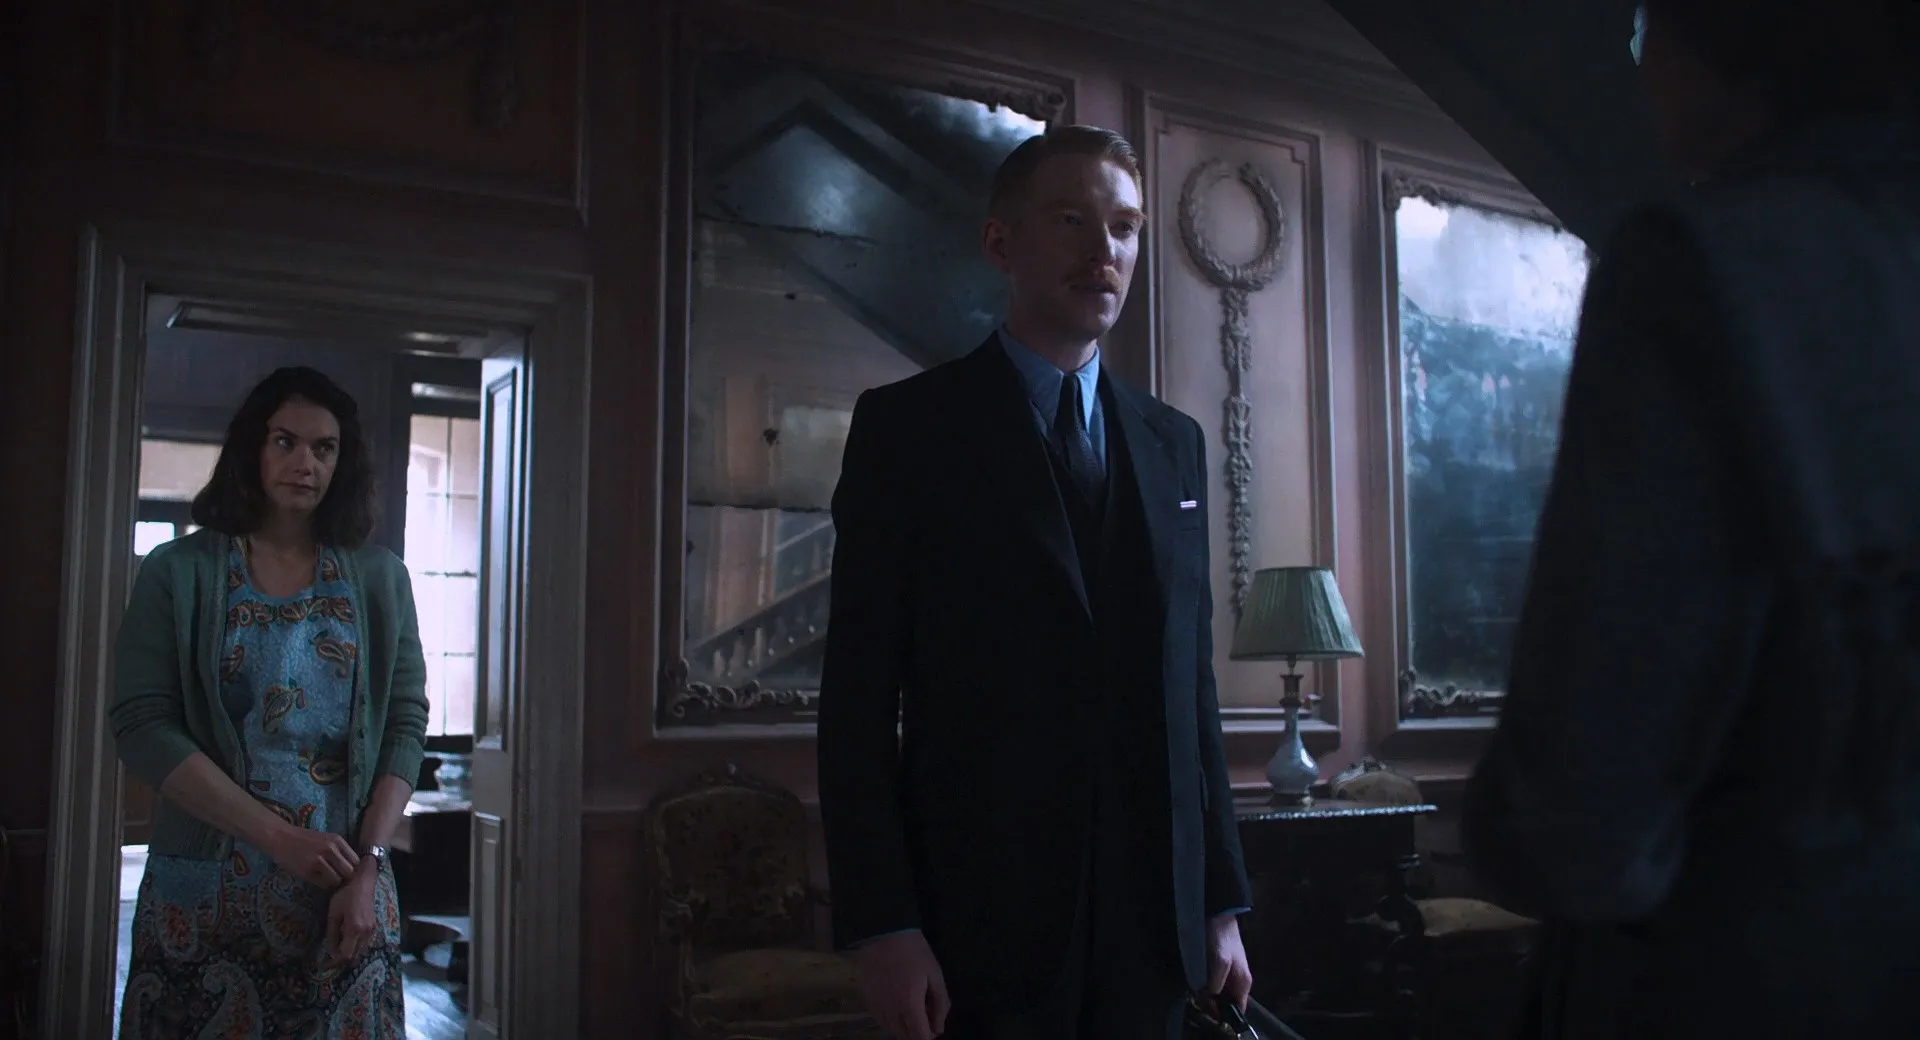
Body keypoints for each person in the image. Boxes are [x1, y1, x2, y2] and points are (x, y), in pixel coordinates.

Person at [1464, 0, 1920, 1036]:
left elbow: (1575, 815)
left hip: (1746, 975)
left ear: (1731, 36)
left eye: (1651, 27)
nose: (1641, 67)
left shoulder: (1705, 267)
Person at [816, 125, 1254, 1040]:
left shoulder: (1173, 442)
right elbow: (856, 699)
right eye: (1071, 220)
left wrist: (1221, 901)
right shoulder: (908, 431)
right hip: (980, 923)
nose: (1105, 250)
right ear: (1000, 242)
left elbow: (1191, 691)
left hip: (1153, 929)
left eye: (1125, 227)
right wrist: (884, 924)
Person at [112, 366, 429, 1038]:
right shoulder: (177, 571)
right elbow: (142, 723)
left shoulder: (381, 578)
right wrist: (278, 837)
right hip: (207, 895)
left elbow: (405, 721)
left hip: (346, 894)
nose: (305, 463)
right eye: (285, 442)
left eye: (324, 448)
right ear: (252, 448)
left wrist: (369, 864)